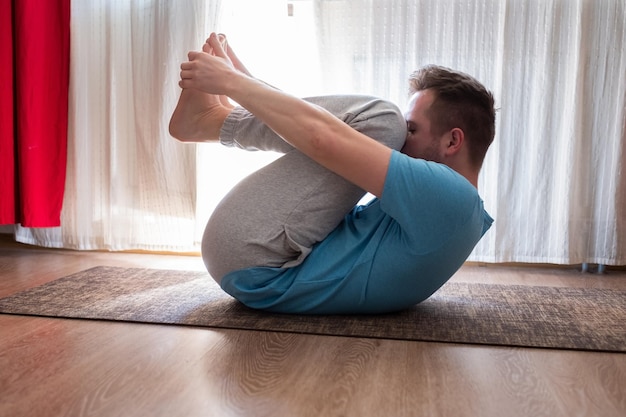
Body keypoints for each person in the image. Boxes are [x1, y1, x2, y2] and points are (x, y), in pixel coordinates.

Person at [170, 33, 496, 314]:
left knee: (383, 120)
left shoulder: (452, 199)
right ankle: (222, 118)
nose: (402, 139)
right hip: (254, 262)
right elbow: (326, 141)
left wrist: (232, 82)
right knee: (362, 131)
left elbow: (325, 140)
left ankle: (216, 120)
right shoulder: (454, 210)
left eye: (413, 129)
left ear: (452, 140)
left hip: (256, 259)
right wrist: (245, 84)